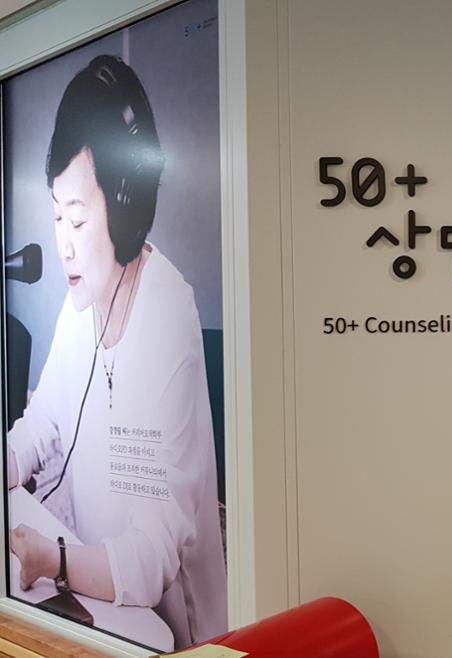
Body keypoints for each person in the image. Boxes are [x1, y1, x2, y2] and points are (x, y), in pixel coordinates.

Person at [5, 54, 226, 648]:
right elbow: (42, 425)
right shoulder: (82, 301)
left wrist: (52, 558)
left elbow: (151, 559)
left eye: (77, 221)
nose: (63, 244)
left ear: (126, 208)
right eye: (57, 216)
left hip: (170, 634)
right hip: (89, 603)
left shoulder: (167, 312)